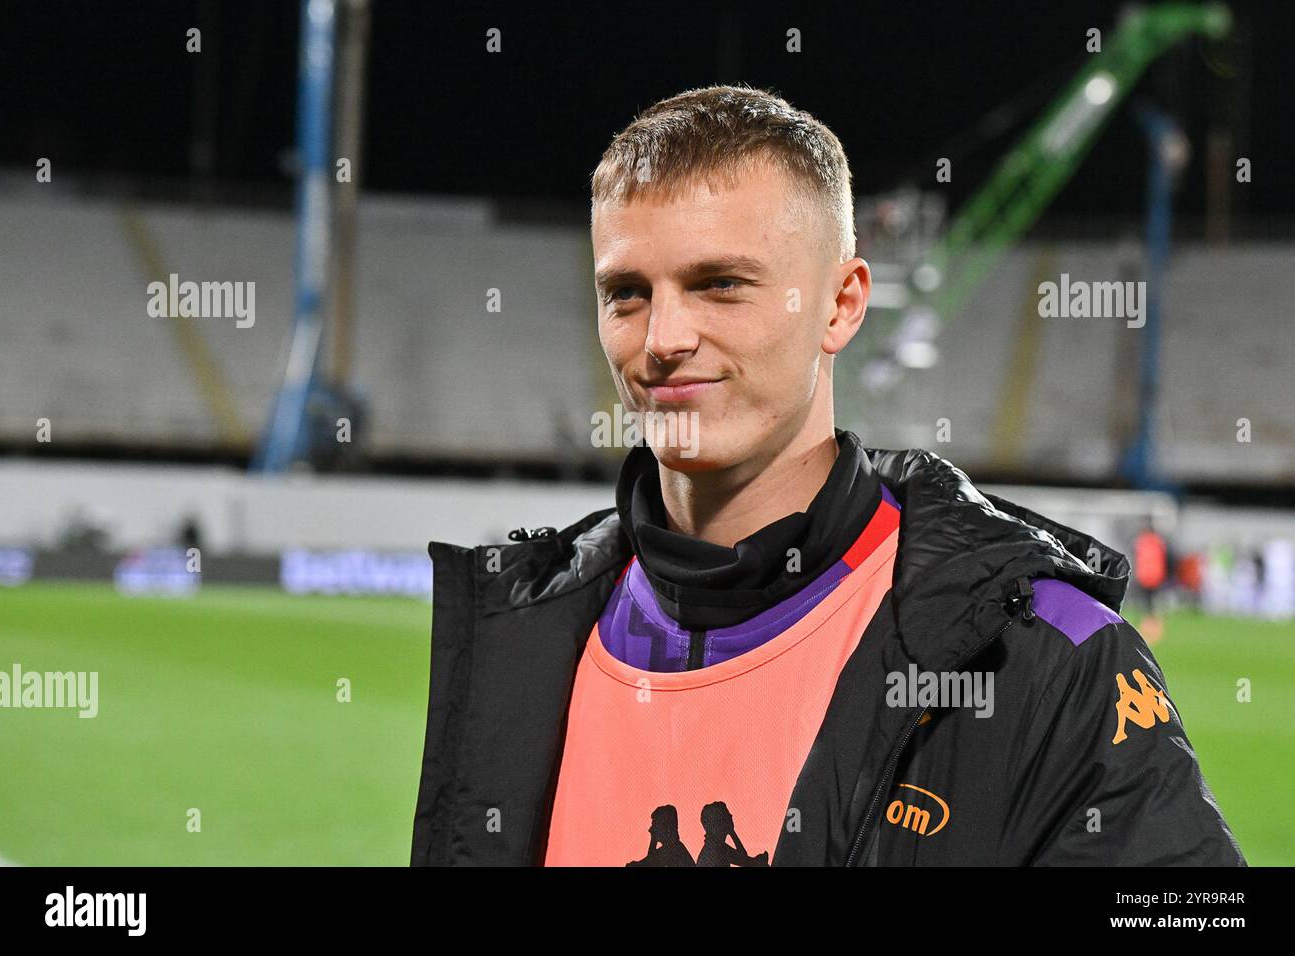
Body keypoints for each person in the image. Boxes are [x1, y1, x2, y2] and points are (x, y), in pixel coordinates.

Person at [410, 85, 1244, 867]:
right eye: (626, 293)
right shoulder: (517, 642)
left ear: (841, 305)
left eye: (720, 285)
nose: (662, 337)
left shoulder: (1047, 657)